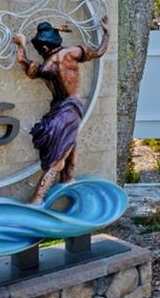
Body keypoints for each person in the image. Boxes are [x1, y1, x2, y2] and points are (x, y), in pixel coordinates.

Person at [13, 17, 109, 204]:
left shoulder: (47, 67)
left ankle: (38, 198)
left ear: (45, 48)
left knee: (59, 157)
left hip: (63, 110)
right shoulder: (74, 52)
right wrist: (107, 33)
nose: (40, 53)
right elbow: (100, 51)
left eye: (40, 49)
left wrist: (21, 44)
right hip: (72, 108)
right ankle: (66, 179)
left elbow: (22, 60)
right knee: (67, 148)